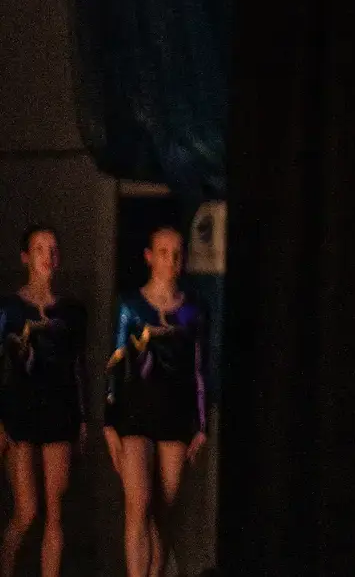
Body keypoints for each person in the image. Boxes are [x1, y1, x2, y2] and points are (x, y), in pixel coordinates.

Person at [104, 225, 209, 577]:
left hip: (174, 417)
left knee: (164, 512)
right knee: (139, 504)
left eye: (178, 253)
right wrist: (108, 422)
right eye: (164, 252)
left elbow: (199, 369)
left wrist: (201, 424)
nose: (172, 260)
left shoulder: (191, 310)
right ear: (150, 257)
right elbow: (115, 363)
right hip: (135, 414)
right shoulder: (131, 306)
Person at [0, 224, 87, 577]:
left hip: (58, 410)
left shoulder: (71, 311)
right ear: (25, 257)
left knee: (55, 509)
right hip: (20, 410)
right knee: (27, 509)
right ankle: (6, 563)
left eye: (52, 249)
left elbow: (77, 366)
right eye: (40, 249)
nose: (48, 256)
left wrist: (82, 419)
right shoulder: (8, 308)